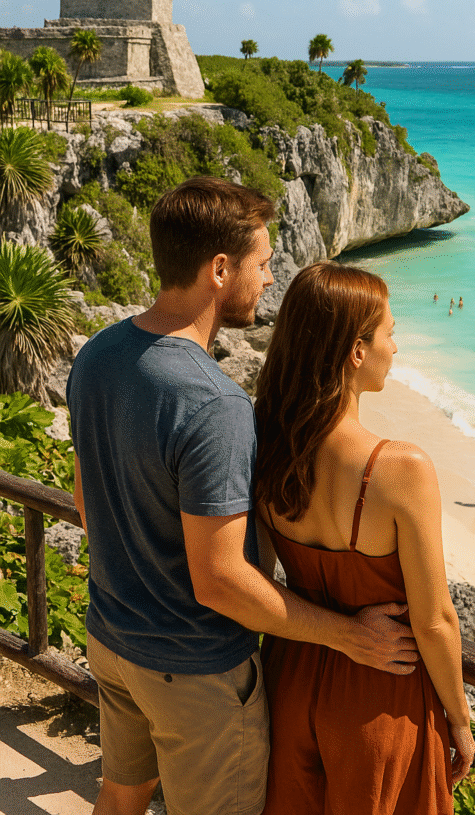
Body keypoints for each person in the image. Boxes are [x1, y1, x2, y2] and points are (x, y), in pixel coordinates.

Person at [67, 178, 417, 815]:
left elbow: (90, 508)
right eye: (262, 262)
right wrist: (349, 637)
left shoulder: (98, 356)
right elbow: (221, 581)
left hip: (112, 639)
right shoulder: (214, 404)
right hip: (193, 672)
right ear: (219, 269)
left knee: (119, 798)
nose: (270, 276)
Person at [254, 263, 475, 814]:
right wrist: (461, 720)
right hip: (381, 692)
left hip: (291, 678)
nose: (395, 348)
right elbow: (435, 620)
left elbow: (254, 574)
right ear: (356, 350)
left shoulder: (264, 444)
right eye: (389, 334)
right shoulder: (400, 469)